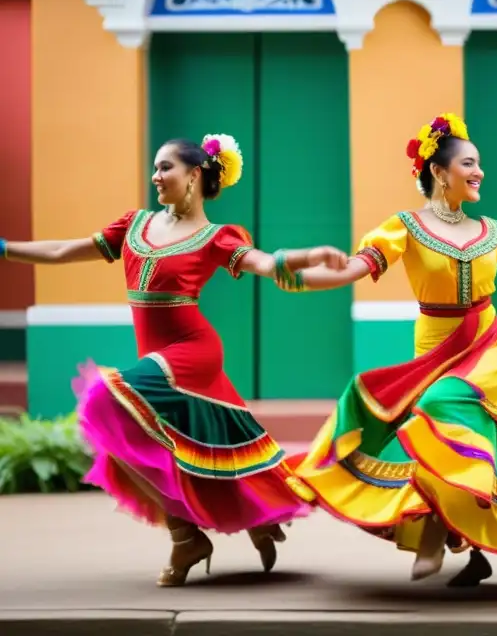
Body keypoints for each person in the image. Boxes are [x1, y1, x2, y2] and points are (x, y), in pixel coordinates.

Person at [274, 113, 497, 587]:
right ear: (439, 171)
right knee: (435, 431)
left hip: (488, 343)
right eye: (469, 163)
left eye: (479, 165)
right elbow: (354, 269)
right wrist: (299, 279)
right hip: (434, 345)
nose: (479, 172)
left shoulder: (491, 231)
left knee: (442, 410)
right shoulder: (404, 227)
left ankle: (437, 530)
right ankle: (472, 545)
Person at [0, 134, 348, 587]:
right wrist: (6, 248)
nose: (156, 176)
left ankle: (186, 536)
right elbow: (65, 251)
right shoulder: (134, 225)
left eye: (166, 168)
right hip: (158, 355)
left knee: (102, 399)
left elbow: (265, 263)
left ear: (195, 175)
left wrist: (310, 255)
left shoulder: (217, 237)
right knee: (173, 444)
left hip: (192, 350)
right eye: (156, 167)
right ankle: (218, 527)